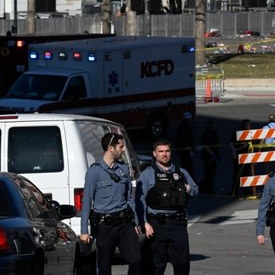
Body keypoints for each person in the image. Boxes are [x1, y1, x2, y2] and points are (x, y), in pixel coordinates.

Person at [79, 133, 141, 275]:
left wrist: (136, 222)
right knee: (104, 267)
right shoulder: (94, 172)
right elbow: (87, 201)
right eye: (120, 146)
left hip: (125, 224)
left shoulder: (123, 169)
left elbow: (129, 198)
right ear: (110, 148)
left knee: (136, 260)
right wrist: (84, 231)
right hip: (105, 227)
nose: (123, 149)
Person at [139, 139, 198, 275]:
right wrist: (145, 223)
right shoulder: (148, 174)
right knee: (155, 265)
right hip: (156, 225)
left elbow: (195, 190)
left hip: (177, 223)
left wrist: (189, 189)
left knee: (182, 264)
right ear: (154, 154)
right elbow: (139, 201)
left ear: (171, 153)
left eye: (167, 151)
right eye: (161, 151)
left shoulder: (181, 172)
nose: (164, 154)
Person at [231, 119, 253, 198]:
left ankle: (235, 189)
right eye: (249, 125)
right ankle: (244, 190)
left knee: (237, 173)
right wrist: (236, 150)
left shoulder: (237, 132)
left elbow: (231, 143)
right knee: (245, 173)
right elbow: (247, 144)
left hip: (238, 156)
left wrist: (234, 151)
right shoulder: (246, 133)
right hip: (244, 156)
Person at [199, 119, 220, 194]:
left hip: (212, 155)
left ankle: (204, 185)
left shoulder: (213, 131)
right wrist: (212, 154)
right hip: (208, 156)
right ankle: (207, 188)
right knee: (209, 173)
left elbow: (216, 143)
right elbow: (205, 145)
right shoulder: (206, 132)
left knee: (211, 173)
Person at [175, 112, 196, 179]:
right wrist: (191, 149)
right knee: (188, 165)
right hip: (185, 149)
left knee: (185, 164)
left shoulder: (181, 126)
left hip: (181, 149)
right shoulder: (187, 128)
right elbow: (187, 139)